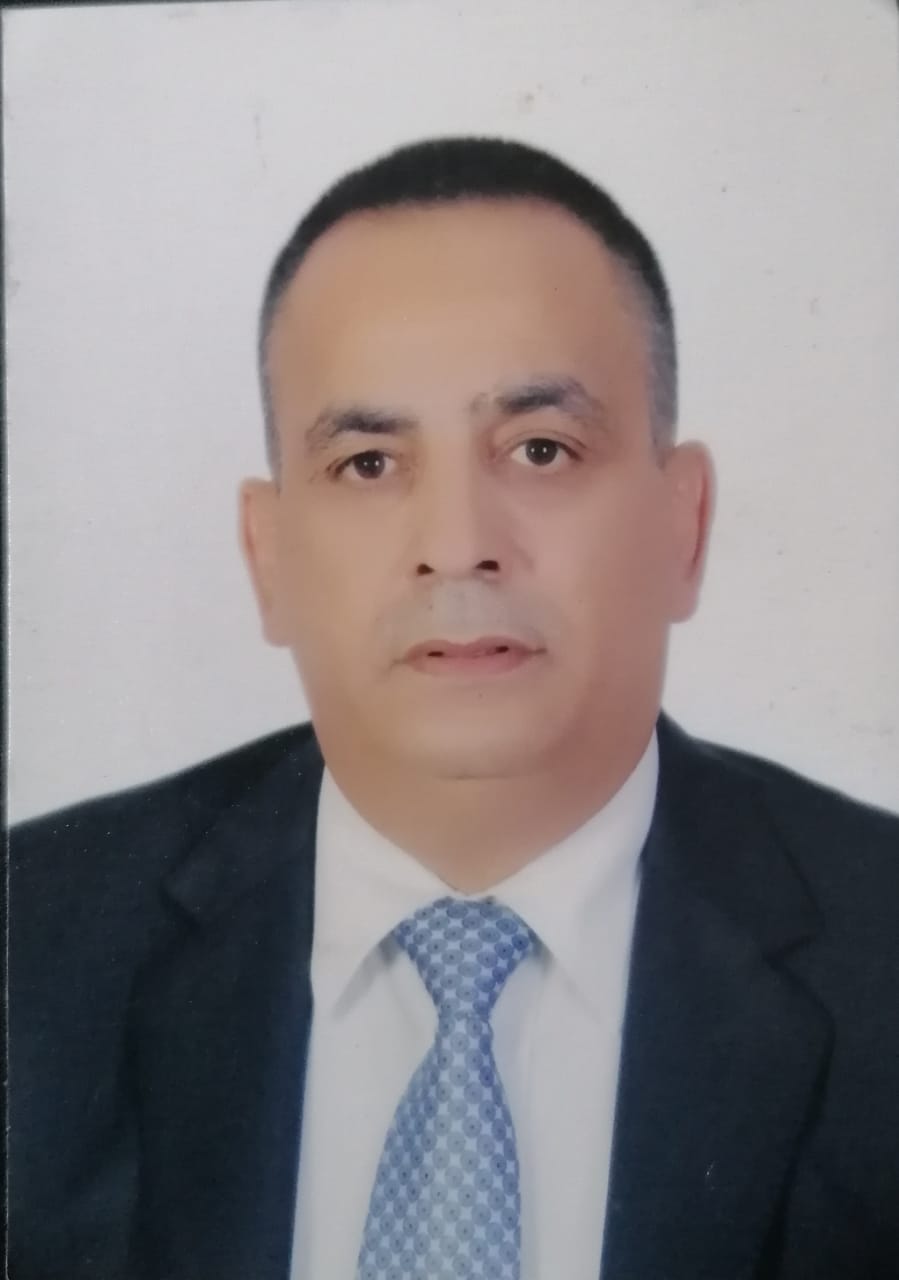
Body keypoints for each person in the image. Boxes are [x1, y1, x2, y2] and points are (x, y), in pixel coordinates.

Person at [9, 136, 899, 1280]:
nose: (456, 543)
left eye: (540, 448)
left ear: (682, 526)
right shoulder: (30, 945)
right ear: (266, 556)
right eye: (368, 463)